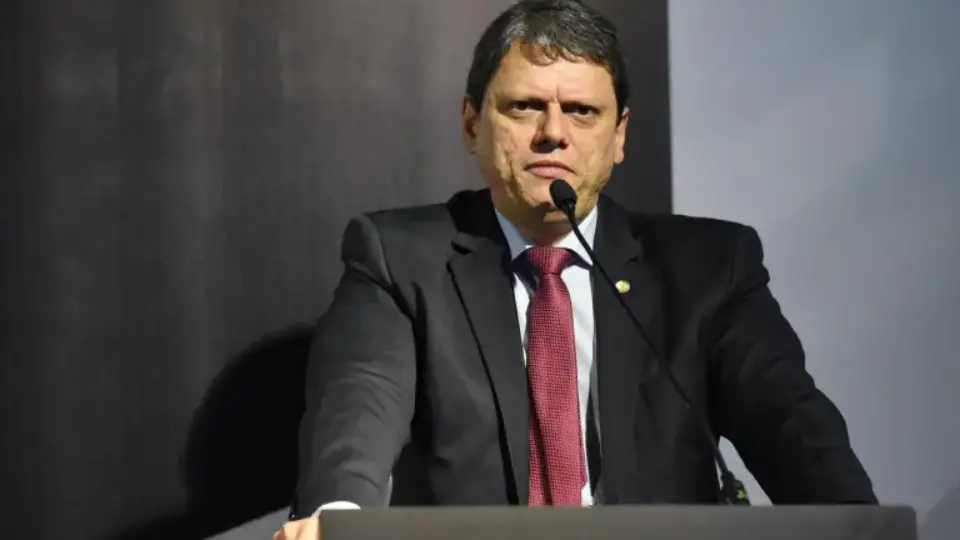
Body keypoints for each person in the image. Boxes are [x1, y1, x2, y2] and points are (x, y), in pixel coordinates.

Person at [274, 0, 876, 538]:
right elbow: (359, 405)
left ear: (619, 136)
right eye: (525, 107)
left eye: (583, 111)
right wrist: (336, 519)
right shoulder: (400, 258)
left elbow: (789, 422)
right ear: (471, 125)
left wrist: (859, 523)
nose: (553, 134)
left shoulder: (710, 268)